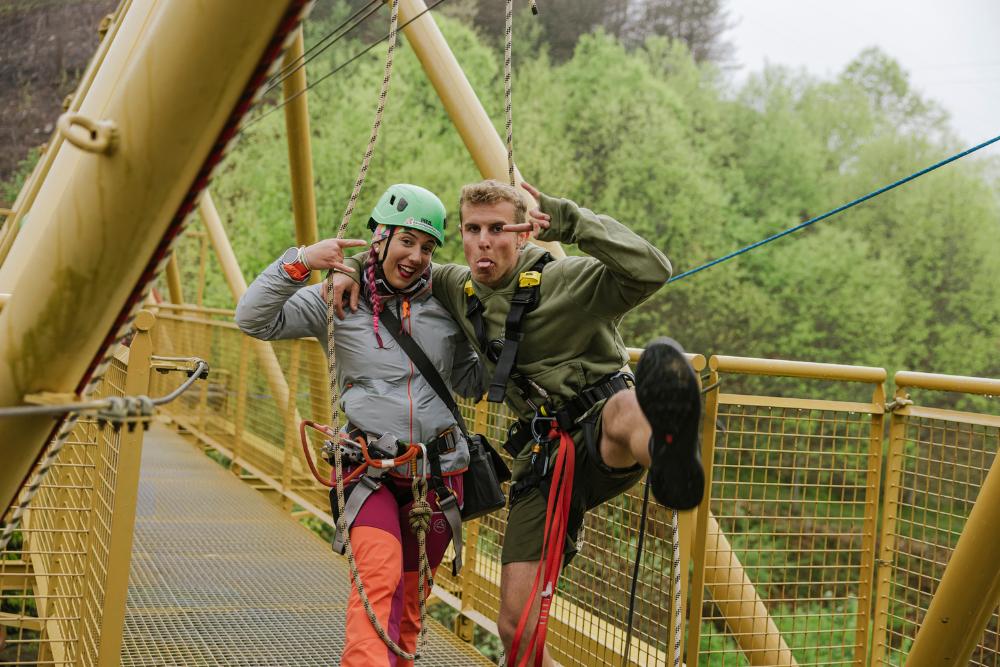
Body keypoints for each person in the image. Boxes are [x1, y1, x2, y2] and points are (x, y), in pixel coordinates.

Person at [330, 179, 703, 665]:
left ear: (523, 234)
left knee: (623, 412)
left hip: (599, 425)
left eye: (499, 229)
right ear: (462, 236)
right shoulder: (457, 287)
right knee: (517, 629)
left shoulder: (567, 281)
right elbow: (400, 265)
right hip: (542, 456)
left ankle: (668, 456)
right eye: (473, 229)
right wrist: (352, 267)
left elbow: (651, 270)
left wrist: (572, 222)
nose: (484, 241)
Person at [235, 184, 483, 667]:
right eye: (406, 241)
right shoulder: (337, 298)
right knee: (378, 579)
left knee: (410, 604)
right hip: (368, 470)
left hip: (437, 471)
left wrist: (496, 330)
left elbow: (471, 382)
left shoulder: (447, 303)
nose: (416, 256)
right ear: (379, 239)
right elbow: (253, 319)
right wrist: (303, 260)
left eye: (427, 247)